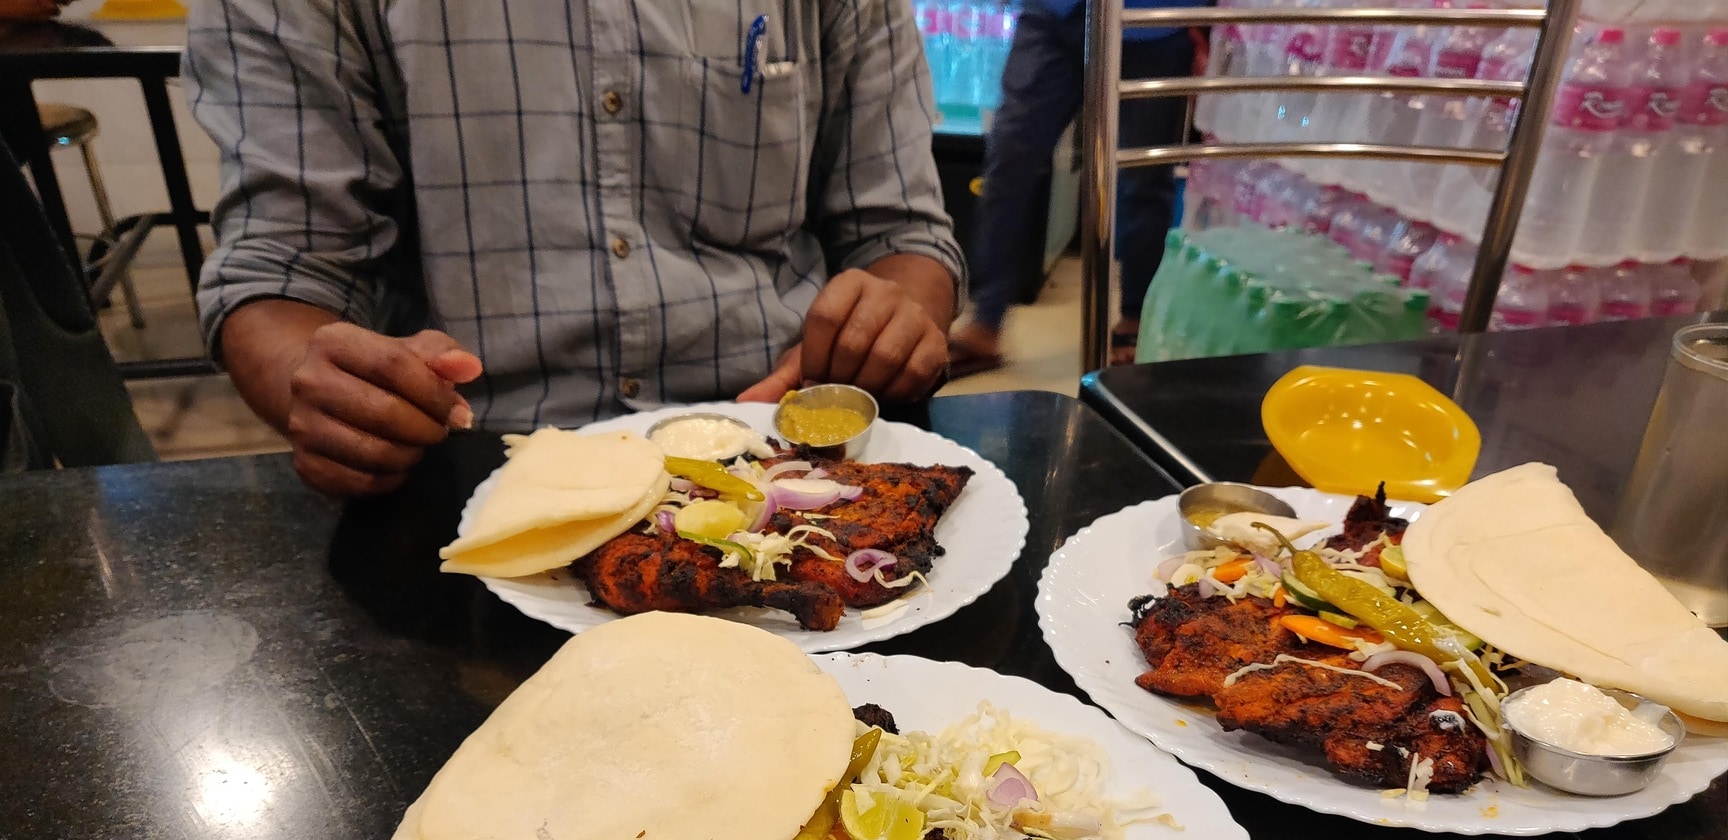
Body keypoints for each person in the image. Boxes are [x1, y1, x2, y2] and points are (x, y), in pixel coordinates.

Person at [183, 3, 963, 497]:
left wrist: (894, 319)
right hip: (473, 473)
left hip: (784, 456)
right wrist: (324, 387)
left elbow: (900, 236)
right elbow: (281, 268)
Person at [948, 0, 1208, 375]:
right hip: (1056, 13)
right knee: (1010, 158)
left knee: (1144, 177)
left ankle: (1136, 318)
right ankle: (986, 319)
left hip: (1154, 22)